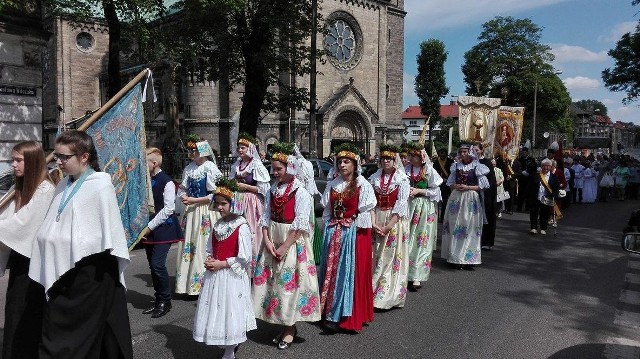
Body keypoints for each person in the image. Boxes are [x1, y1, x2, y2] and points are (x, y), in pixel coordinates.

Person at [29, 130, 132, 359]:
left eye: (64, 157)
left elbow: (103, 234)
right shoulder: (64, 184)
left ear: (84, 157)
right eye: (56, 156)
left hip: (89, 275)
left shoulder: (100, 184)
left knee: (79, 341)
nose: (59, 162)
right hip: (64, 274)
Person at [253, 142, 321, 349]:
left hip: (291, 241)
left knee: (289, 285)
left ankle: (290, 327)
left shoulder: (300, 192)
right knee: (273, 285)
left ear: (290, 168)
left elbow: (301, 223)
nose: (274, 173)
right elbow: (265, 217)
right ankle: (282, 323)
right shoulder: (273, 190)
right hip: (273, 237)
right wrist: (266, 240)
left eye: (278, 169)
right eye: (273, 169)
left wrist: (284, 246)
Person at [0, 141, 55, 359]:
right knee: (13, 313)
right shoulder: (20, 187)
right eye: (13, 160)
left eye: (18, 160)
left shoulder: (45, 189)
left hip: (35, 264)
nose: (13, 165)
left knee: (26, 315)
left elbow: (23, 224)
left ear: (31, 161)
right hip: (20, 261)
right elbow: (7, 216)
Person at [193, 178, 256, 359]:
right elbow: (211, 247)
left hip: (231, 275)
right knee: (218, 308)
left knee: (230, 309)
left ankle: (230, 350)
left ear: (233, 203)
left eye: (224, 204)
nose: (220, 207)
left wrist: (222, 264)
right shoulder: (219, 224)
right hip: (216, 275)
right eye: (218, 203)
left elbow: (245, 257)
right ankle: (222, 339)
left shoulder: (241, 225)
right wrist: (211, 259)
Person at [318, 143, 376, 332]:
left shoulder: (362, 185)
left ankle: (343, 315)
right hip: (334, 231)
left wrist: (351, 229)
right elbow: (327, 210)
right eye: (340, 161)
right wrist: (328, 227)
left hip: (351, 233)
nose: (342, 165)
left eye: (346, 162)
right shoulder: (333, 184)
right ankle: (327, 310)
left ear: (354, 164)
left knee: (346, 273)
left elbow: (365, 213)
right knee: (331, 271)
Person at [138, 147, 184, 318]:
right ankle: (158, 299)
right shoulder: (147, 181)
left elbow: (168, 209)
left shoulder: (167, 182)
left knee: (158, 265)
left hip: (163, 229)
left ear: (154, 163)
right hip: (149, 228)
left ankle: (165, 300)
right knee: (152, 265)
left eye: (146, 162)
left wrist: (149, 227)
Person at [176, 137, 222, 295]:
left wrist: (194, 200)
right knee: (190, 245)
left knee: (203, 246)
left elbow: (216, 194)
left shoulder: (210, 168)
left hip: (205, 212)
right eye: (190, 150)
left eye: (194, 149)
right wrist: (183, 196)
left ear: (202, 150)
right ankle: (188, 285)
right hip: (191, 212)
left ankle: (205, 285)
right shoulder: (189, 168)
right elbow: (182, 188)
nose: (191, 152)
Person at [369, 144, 410, 308]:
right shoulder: (374, 177)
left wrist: (388, 226)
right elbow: (370, 203)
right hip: (377, 217)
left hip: (394, 220)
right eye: (383, 158)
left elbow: (401, 205)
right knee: (376, 254)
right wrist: (373, 223)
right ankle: (372, 290)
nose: (386, 161)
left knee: (391, 255)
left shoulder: (402, 179)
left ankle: (386, 295)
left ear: (395, 160)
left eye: (389, 159)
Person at [441, 141, 490, 270]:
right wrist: (455, 186)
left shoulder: (477, 166)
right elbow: (450, 183)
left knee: (470, 227)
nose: (462, 154)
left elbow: (482, 186)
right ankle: (455, 257)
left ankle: (468, 258)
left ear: (470, 152)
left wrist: (468, 187)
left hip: (470, 198)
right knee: (456, 226)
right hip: (457, 198)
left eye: (465, 152)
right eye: (460, 152)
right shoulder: (455, 166)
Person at [229, 132, 270, 271]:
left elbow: (264, 188)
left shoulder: (256, 165)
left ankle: (254, 268)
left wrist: (246, 187)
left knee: (253, 232)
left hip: (252, 203)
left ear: (250, 148)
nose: (240, 150)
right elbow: (230, 182)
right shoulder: (236, 165)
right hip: (238, 201)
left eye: (243, 148)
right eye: (239, 147)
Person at [404, 142, 442, 290]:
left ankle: (417, 276)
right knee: (407, 239)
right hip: (408, 206)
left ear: (421, 158)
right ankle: (405, 273)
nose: (411, 158)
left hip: (424, 208)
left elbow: (436, 191)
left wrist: (420, 191)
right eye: (411, 155)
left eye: (414, 156)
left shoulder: (429, 171)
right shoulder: (406, 170)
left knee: (421, 241)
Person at [526, 158, 560, 235]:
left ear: (551, 167)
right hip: (536, 197)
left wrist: (555, 195)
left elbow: (556, 187)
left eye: (548, 166)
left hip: (546, 198)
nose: (546, 168)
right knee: (534, 212)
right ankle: (533, 228)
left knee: (545, 213)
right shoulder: (536, 175)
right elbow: (529, 186)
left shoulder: (553, 177)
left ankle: (543, 228)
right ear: (541, 166)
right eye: (544, 166)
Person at [475, 143, 497, 250]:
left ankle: (487, 241)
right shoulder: (471, 162)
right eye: (473, 150)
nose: (475, 152)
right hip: (473, 193)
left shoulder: (487, 162)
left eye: (477, 150)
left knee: (487, 215)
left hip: (485, 194)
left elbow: (491, 181)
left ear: (481, 151)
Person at [432, 148, 453, 223]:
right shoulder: (436, 162)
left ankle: (443, 217)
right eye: (440, 153)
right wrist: (440, 179)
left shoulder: (450, 161)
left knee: (445, 201)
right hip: (439, 183)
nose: (442, 155)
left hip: (448, 183)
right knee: (438, 201)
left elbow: (452, 172)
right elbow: (434, 172)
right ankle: (436, 216)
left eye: (443, 153)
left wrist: (448, 179)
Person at [515, 147, 537, 212]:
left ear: (527, 152)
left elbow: (534, 169)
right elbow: (517, 168)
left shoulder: (531, 160)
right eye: (523, 152)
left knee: (528, 194)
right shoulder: (519, 160)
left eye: (525, 152)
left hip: (529, 180)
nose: (524, 153)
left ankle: (527, 207)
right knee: (520, 194)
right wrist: (521, 172)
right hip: (521, 179)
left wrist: (529, 173)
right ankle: (519, 207)